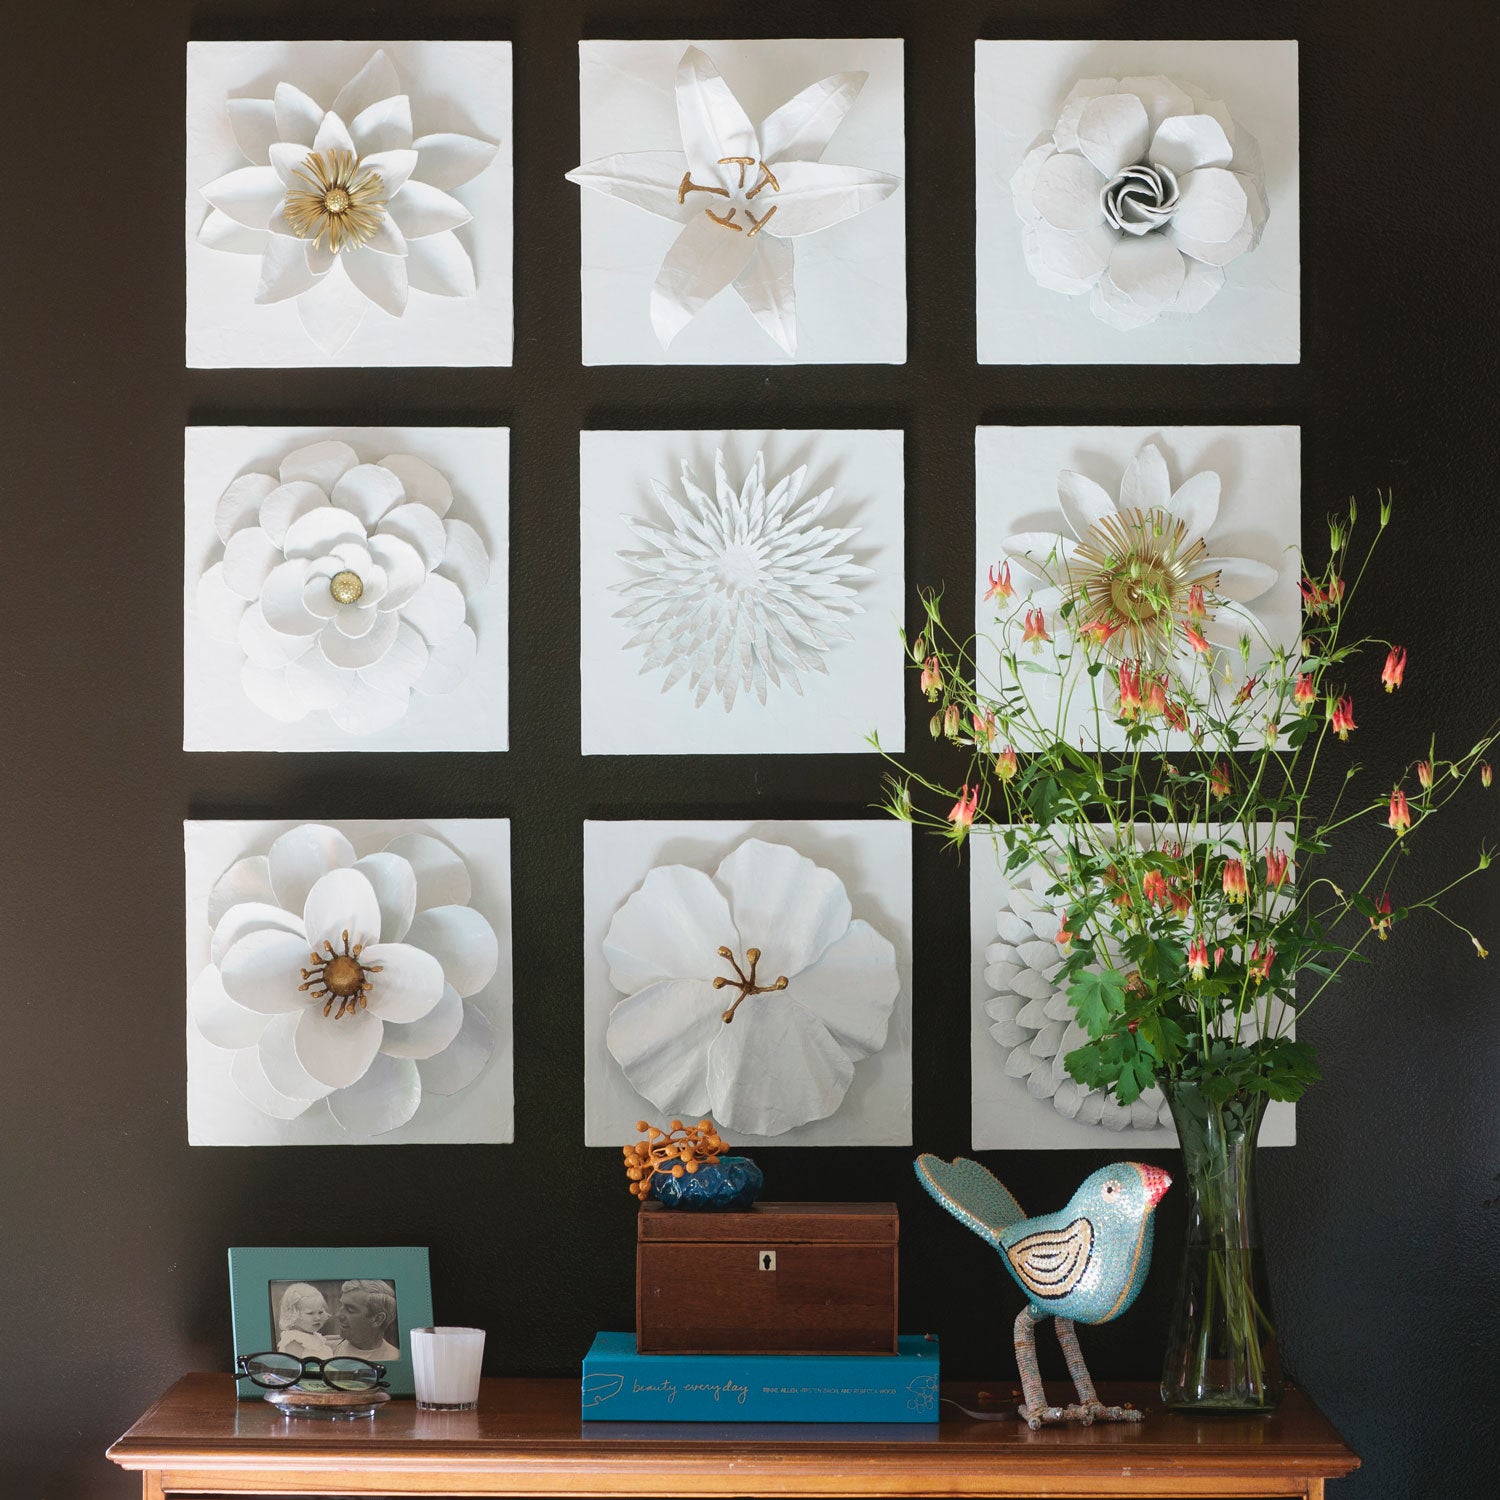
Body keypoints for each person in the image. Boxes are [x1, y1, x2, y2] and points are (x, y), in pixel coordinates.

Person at [329, 1279, 400, 1361]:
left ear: (377, 1319)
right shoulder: (326, 1347)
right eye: (341, 1305)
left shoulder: (394, 1357)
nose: (338, 1315)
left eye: (350, 1310)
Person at [275, 1283, 334, 1360]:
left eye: (320, 1312)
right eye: (310, 1313)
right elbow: (293, 1365)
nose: (317, 1318)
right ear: (293, 1315)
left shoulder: (313, 1336)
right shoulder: (294, 1341)